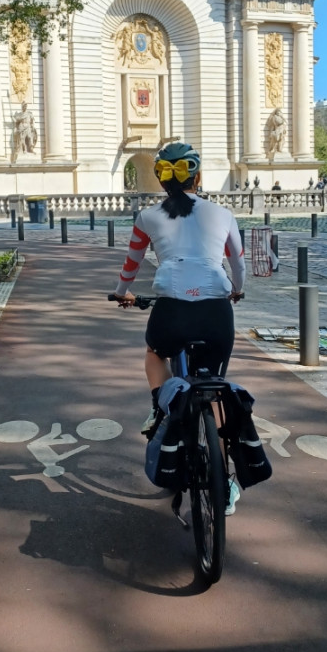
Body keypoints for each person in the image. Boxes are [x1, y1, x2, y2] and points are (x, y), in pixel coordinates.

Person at [113, 141, 246, 438]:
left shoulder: (147, 217)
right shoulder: (223, 214)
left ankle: (160, 406)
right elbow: (238, 265)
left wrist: (122, 292)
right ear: (197, 178)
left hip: (172, 311)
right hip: (216, 313)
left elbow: (131, 265)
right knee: (213, 392)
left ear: (161, 180)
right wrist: (237, 290)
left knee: (154, 351)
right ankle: (224, 477)